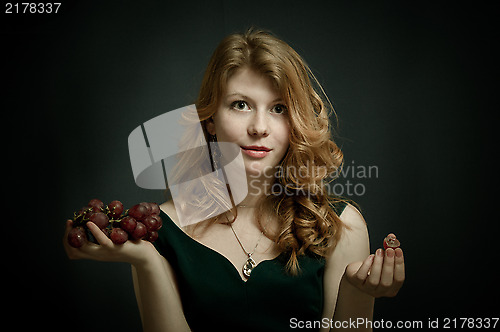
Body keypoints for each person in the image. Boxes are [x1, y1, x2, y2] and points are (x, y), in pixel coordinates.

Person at [64, 28, 405, 332]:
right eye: (241, 105)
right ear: (211, 119)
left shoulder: (341, 226)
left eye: (279, 108)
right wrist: (147, 261)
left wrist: (359, 293)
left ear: (296, 122)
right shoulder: (160, 229)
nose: (259, 127)